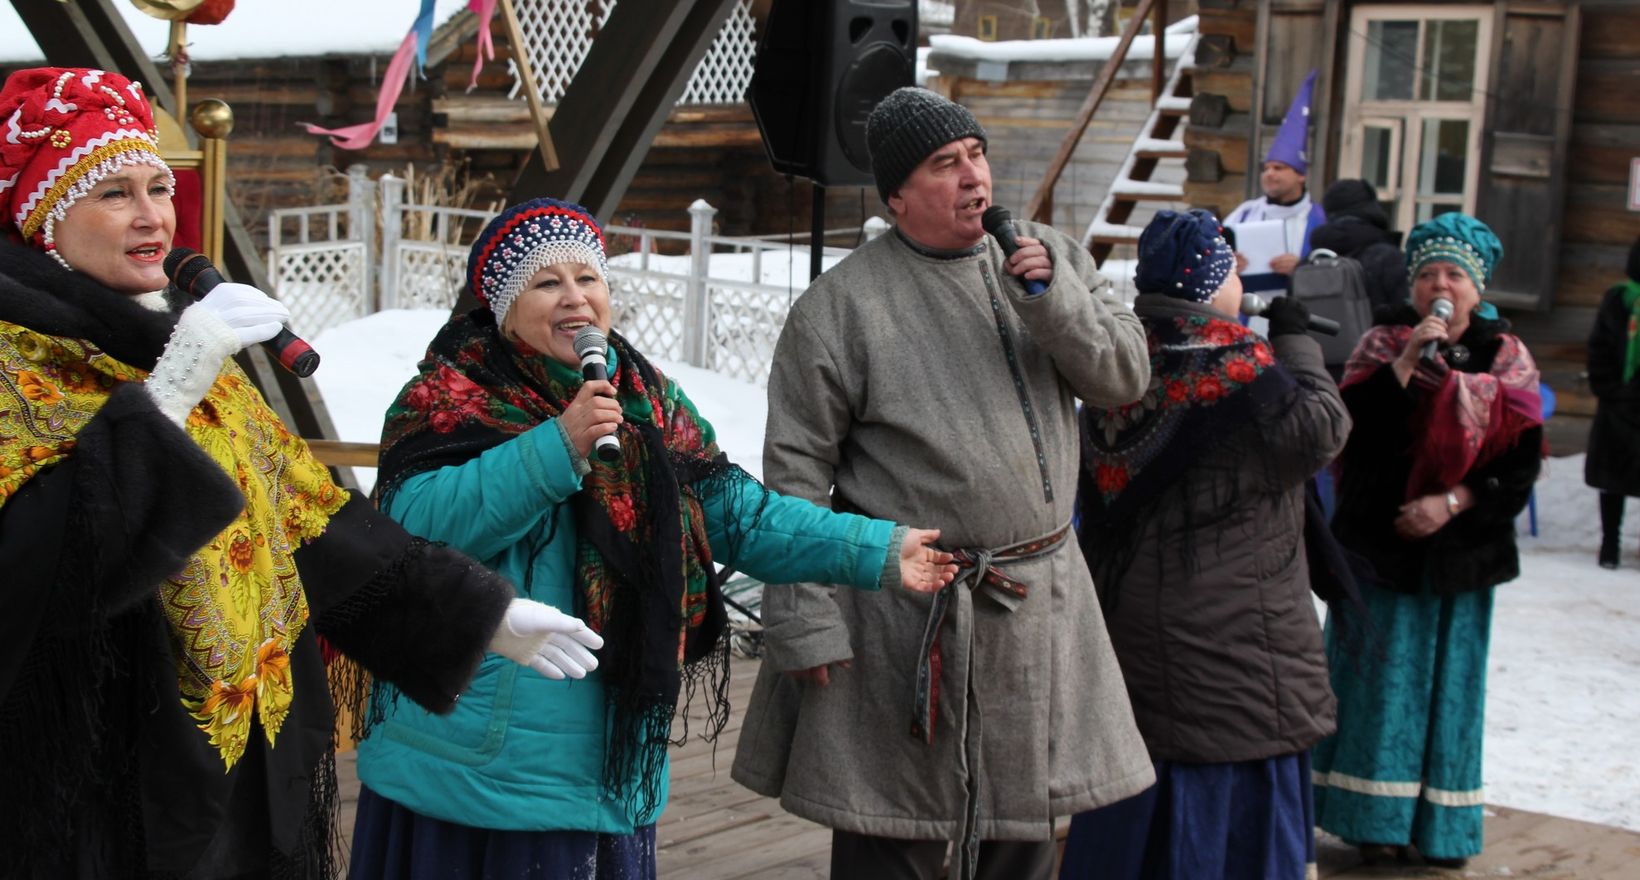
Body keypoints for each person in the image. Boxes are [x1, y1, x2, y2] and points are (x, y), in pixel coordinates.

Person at [0, 67, 604, 879]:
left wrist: (480, 616)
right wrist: (171, 385)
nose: (153, 215)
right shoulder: (18, 366)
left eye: (158, 186)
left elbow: (315, 524)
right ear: (45, 217)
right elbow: (44, 566)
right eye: (113, 193)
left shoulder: (190, 345)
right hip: (98, 787)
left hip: (247, 770)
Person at [346, 196, 958, 879]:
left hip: (610, 761)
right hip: (473, 770)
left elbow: (743, 517)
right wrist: (559, 448)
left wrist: (875, 549)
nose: (576, 299)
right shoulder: (450, 395)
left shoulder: (646, 400)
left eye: (590, 279)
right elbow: (413, 530)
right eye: (548, 283)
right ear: (503, 305)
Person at [732, 86, 1156, 880]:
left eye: (977, 155)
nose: (974, 178)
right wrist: (803, 621)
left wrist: (1050, 303)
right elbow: (795, 473)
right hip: (901, 616)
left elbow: (1122, 378)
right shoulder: (840, 310)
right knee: (892, 830)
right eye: (944, 164)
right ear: (897, 197)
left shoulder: (1052, 260)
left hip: (1034, 608)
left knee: (1022, 830)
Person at [1059, 209, 1350, 880]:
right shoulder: (1238, 364)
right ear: (1208, 281)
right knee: (1223, 831)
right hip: (1236, 650)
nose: (1240, 280)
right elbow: (1320, 432)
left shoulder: (1122, 355)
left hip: (1128, 631)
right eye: (1229, 269)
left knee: (1135, 791)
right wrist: (1302, 348)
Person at [1312, 213, 1543, 869]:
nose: (1440, 285)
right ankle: (1371, 821)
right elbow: (1348, 438)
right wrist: (1408, 362)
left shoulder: (1508, 356)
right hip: (1381, 551)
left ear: (1478, 286)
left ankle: (1439, 828)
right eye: (1429, 274)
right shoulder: (1384, 343)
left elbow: (1520, 466)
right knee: (1381, 690)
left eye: (1455, 274)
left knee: (1448, 691)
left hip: (1462, 555)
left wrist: (1452, 503)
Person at [1228, 70, 1326, 291]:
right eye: (1267, 168)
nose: (1270, 174)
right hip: (1245, 314)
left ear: (1301, 174)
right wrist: (1229, 264)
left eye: (1279, 168)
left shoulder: (1320, 219)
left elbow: (1334, 273)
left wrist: (1301, 268)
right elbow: (1208, 260)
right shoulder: (1243, 214)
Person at [1584, 236, 1640, 569]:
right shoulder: (1618, 300)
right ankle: (1610, 545)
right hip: (1618, 405)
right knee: (1613, 482)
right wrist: (1609, 389)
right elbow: (1599, 348)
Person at [1309, 178, 1411, 313]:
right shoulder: (1388, 258)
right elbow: (1404, 312)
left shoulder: (1311, 260)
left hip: (1317, 334)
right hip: (1374, 332)